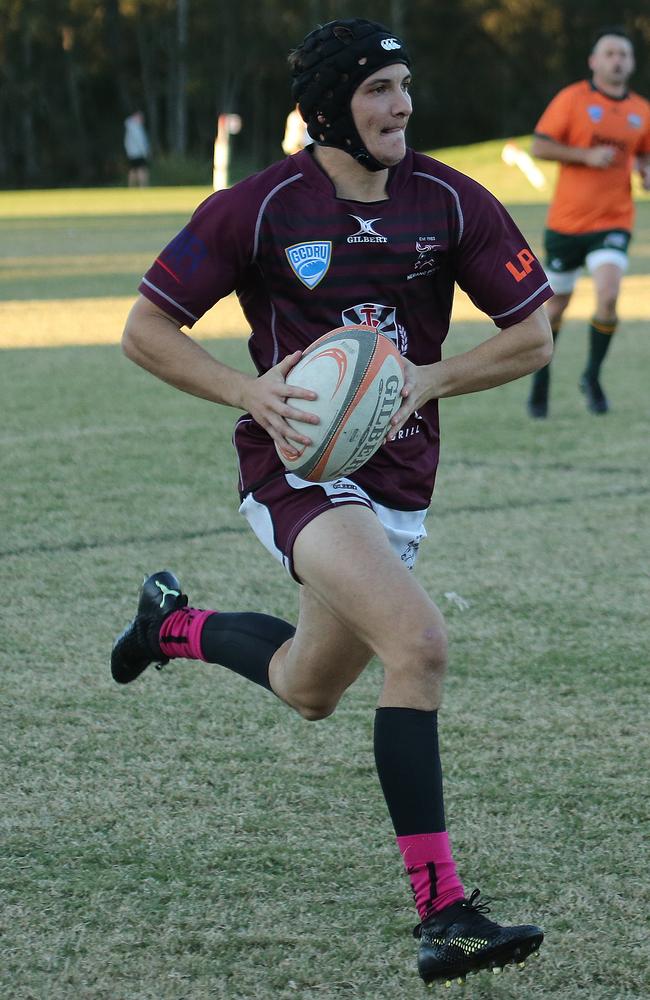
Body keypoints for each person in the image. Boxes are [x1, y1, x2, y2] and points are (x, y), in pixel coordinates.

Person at [111, 18, 553, 987]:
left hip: (394, 483)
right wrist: (247, 391)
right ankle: (443, 911)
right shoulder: (260, 207)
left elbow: (531, 336)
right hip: (295, 474)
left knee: (307, 686)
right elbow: (146, 329)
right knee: (418, 644)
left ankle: (170, 625)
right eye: (377, 89)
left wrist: (427, 381)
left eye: (403, 85)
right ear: (328, 108)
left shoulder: (445, 199)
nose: (400, 105)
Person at [527, 26, 650, 418]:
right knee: (557, 307)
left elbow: (644, 156)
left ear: (631, 63)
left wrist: (646, 171)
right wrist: (584, 156)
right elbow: (539, 145)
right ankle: (541, 379)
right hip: (566, 224)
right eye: (609, 53)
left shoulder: (641, 111)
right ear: (594, 61)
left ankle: (592, 376)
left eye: (624, 54)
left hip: (614, 220)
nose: (617, 60)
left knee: (609, 294)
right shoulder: (572, 99)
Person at [124, 110, 151, 187]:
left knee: (134, 170)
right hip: (137, 153)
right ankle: (143, 186)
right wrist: (145, 152)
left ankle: (131, 186)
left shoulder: (134, 127)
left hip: (133, 153)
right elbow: (140, 142)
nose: (142, 119)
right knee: (141, 169)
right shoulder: (134, 127)